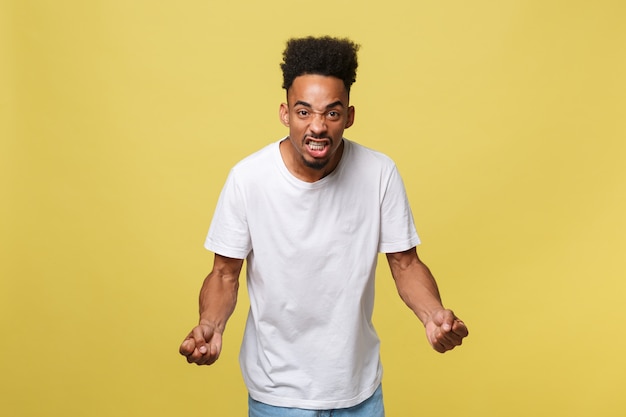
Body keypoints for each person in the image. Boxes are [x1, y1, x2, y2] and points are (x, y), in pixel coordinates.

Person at [179, 36, 469, 416]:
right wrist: (211, 325)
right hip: (278, 395)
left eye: (331, 113)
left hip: (359, 393)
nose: (317, 126)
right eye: (304, 112)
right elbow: (224, 274)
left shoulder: (379, 173)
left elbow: (406, 264)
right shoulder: (248, 178)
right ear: (285, 113)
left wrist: (433, 315)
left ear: (349, 116)